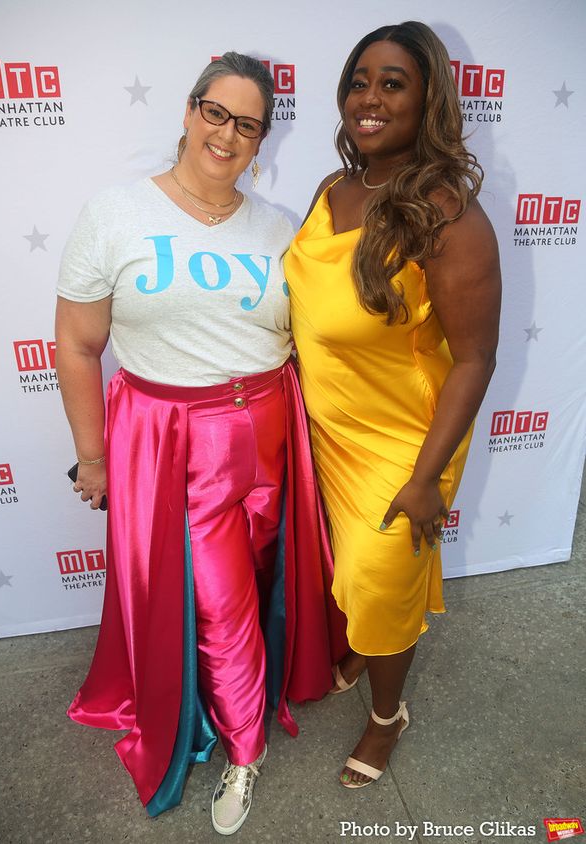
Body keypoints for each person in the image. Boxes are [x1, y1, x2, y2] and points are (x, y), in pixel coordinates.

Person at [56, 51, 346, 834]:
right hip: (179, 444)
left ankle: (240, 692)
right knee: (220, 604)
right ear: (189, 112)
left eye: (247, 124)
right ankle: (245, 750)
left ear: (263, 140)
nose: (226, 134)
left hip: (274, 429)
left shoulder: (280, 228)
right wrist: (93, 456)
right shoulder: (116, 213)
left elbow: (313, 336)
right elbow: (77, 344)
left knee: (261, 581)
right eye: (215, 113)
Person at [285, 22, 501, 787]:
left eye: (392, 83)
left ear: (428, 98)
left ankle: (386, 718)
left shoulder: (448, 216)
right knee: (345, 570)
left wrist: (425, 479)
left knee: (380, 576)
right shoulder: (332, 189)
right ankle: (360, 647)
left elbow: (474, 359)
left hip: (405, 442)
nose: (368, 99)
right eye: (359, 82)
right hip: (325, 425)